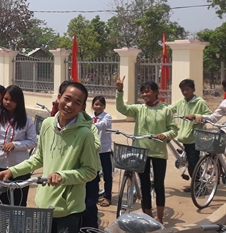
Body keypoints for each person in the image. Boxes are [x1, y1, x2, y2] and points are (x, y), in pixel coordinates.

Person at [0, 82, 99, 233]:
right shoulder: (47, 124)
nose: (69, 105)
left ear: (83, 107)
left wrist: (62, 176)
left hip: (68, 209)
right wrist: (12, 171)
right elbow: (39, 158)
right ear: (59, 98)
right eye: (67, 98)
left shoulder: (86, 134)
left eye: (77, 103)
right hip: (44, 203)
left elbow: (90, 171)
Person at [116, 77, 178, 224]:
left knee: (158, 184)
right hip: (141, 152)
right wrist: (119, 91)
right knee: (144, 184)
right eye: (142, 92)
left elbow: (174, 129)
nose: (144, 95)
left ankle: (160, 217)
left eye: (147, 91)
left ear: (156, 92)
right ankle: (149, 216)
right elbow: (122, 109)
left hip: (158, 152)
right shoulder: (139, 109)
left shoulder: (165, 109)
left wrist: (165, 135)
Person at [166, 79, 212, 192]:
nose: (185, 92)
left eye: (187, 89)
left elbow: (209, 115)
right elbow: (169, 110)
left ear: (193, 90)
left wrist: (197, 115)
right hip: (184, 136)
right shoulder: (181, 102)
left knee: (193, 164)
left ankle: (200, 187)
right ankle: (198, 184)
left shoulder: (200, 102)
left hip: (194, 137)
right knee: (191, 163)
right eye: (183, 90)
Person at [89, 96, 113, 207]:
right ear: (92, 105)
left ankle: (107, 196)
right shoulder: (89, 117)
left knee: (107, 174)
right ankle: (95, 194)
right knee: (94, 174)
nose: (98, 107)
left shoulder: (107, 116)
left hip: (104, 149)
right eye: (96, 104)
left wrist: (89, 125)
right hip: (93, 150)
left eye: (101, 105)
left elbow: (102, 125)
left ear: (104, 106)